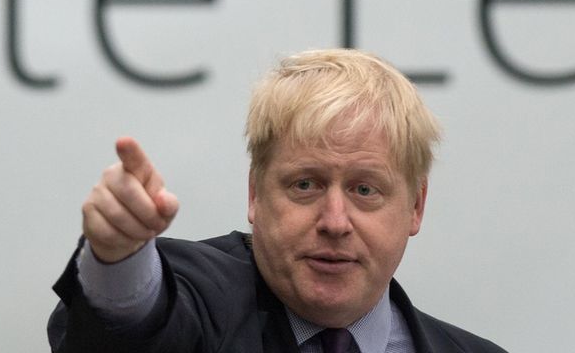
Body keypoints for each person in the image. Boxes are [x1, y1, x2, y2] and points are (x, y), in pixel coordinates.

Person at [48, 48, 509, 353]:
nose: (334, 221)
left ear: (416, 207)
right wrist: (119, 256)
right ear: (255, 193)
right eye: (305, 185)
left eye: (364, 190)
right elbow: (135, 324)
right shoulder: (203, 303)